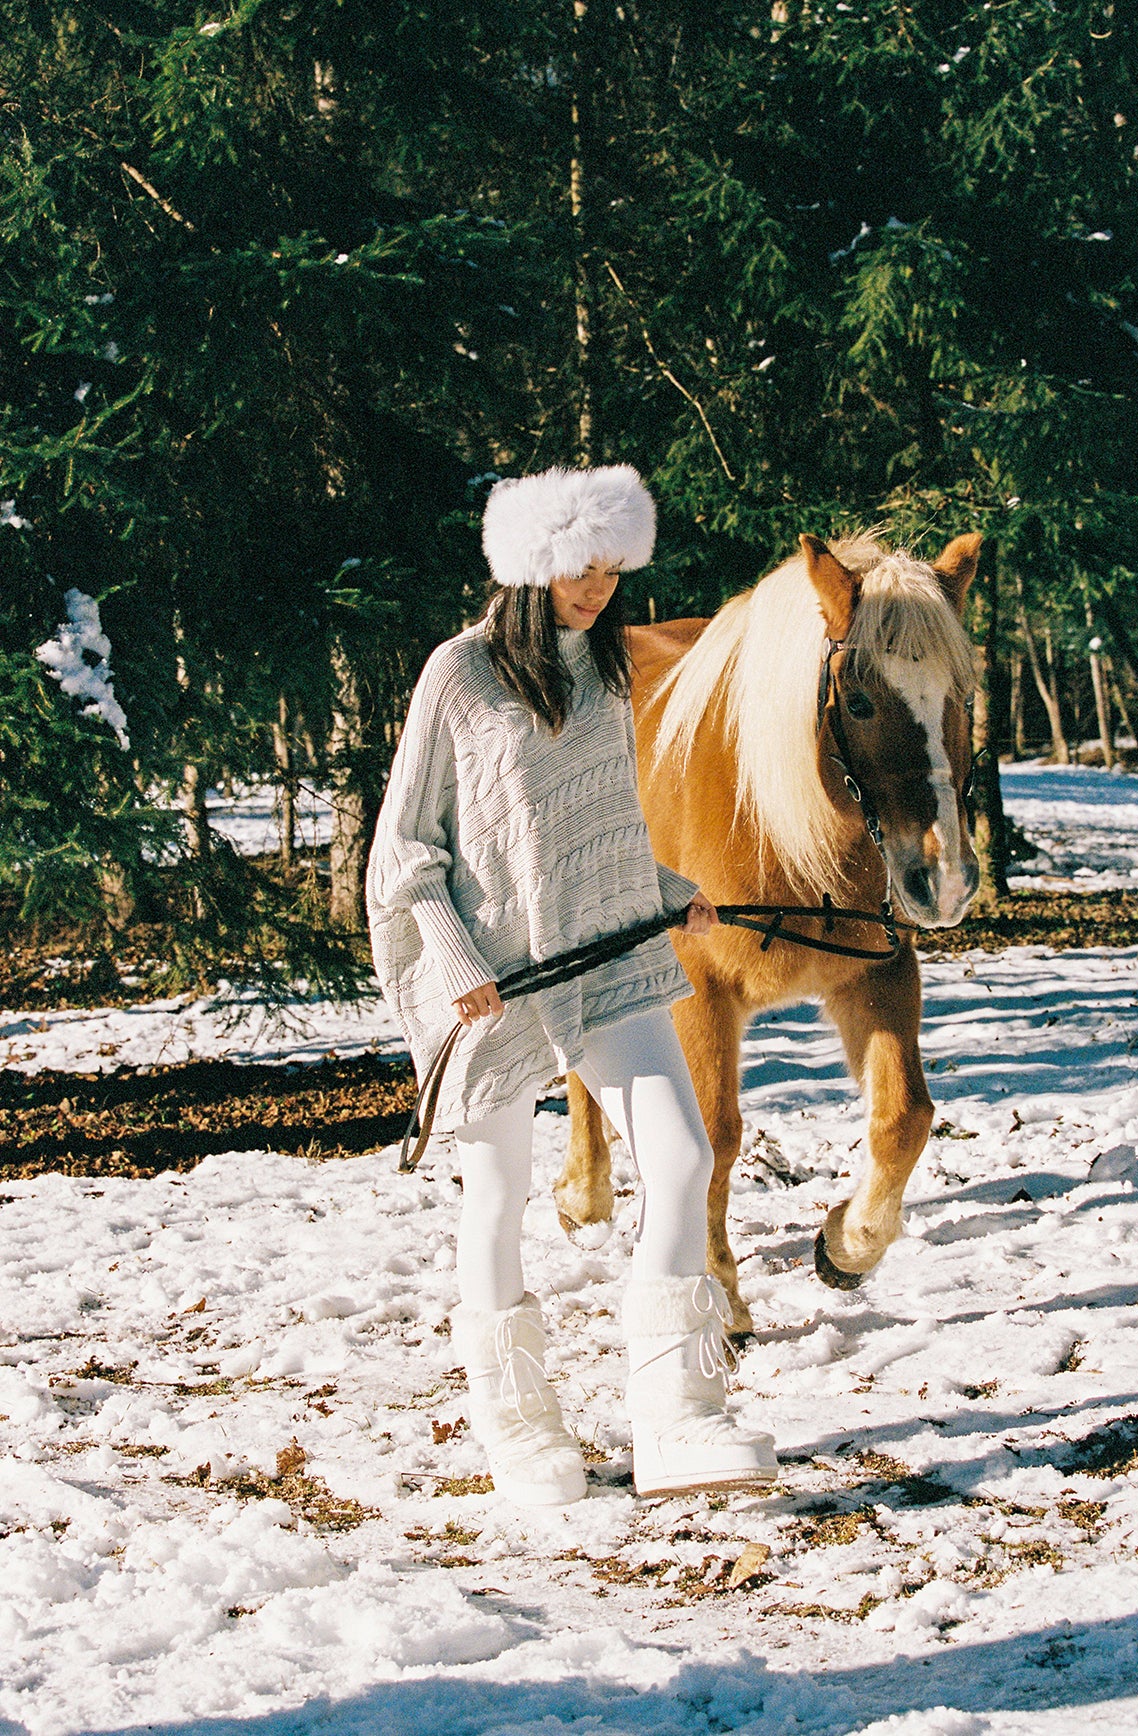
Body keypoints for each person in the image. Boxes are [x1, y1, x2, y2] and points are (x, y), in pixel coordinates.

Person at [366, 464, 777, 1505]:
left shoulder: (607, 674)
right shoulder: (457, 674)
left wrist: (670, 889)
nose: (596, 588)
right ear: (529, 566)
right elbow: (404, 846)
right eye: (578, 570)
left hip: (607, 950)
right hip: (490, 978)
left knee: (682, 1159)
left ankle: (677, 1414)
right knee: (500, 1195)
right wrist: (453, 955)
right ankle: (519, 1425)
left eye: (611, 570)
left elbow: (603, 826)